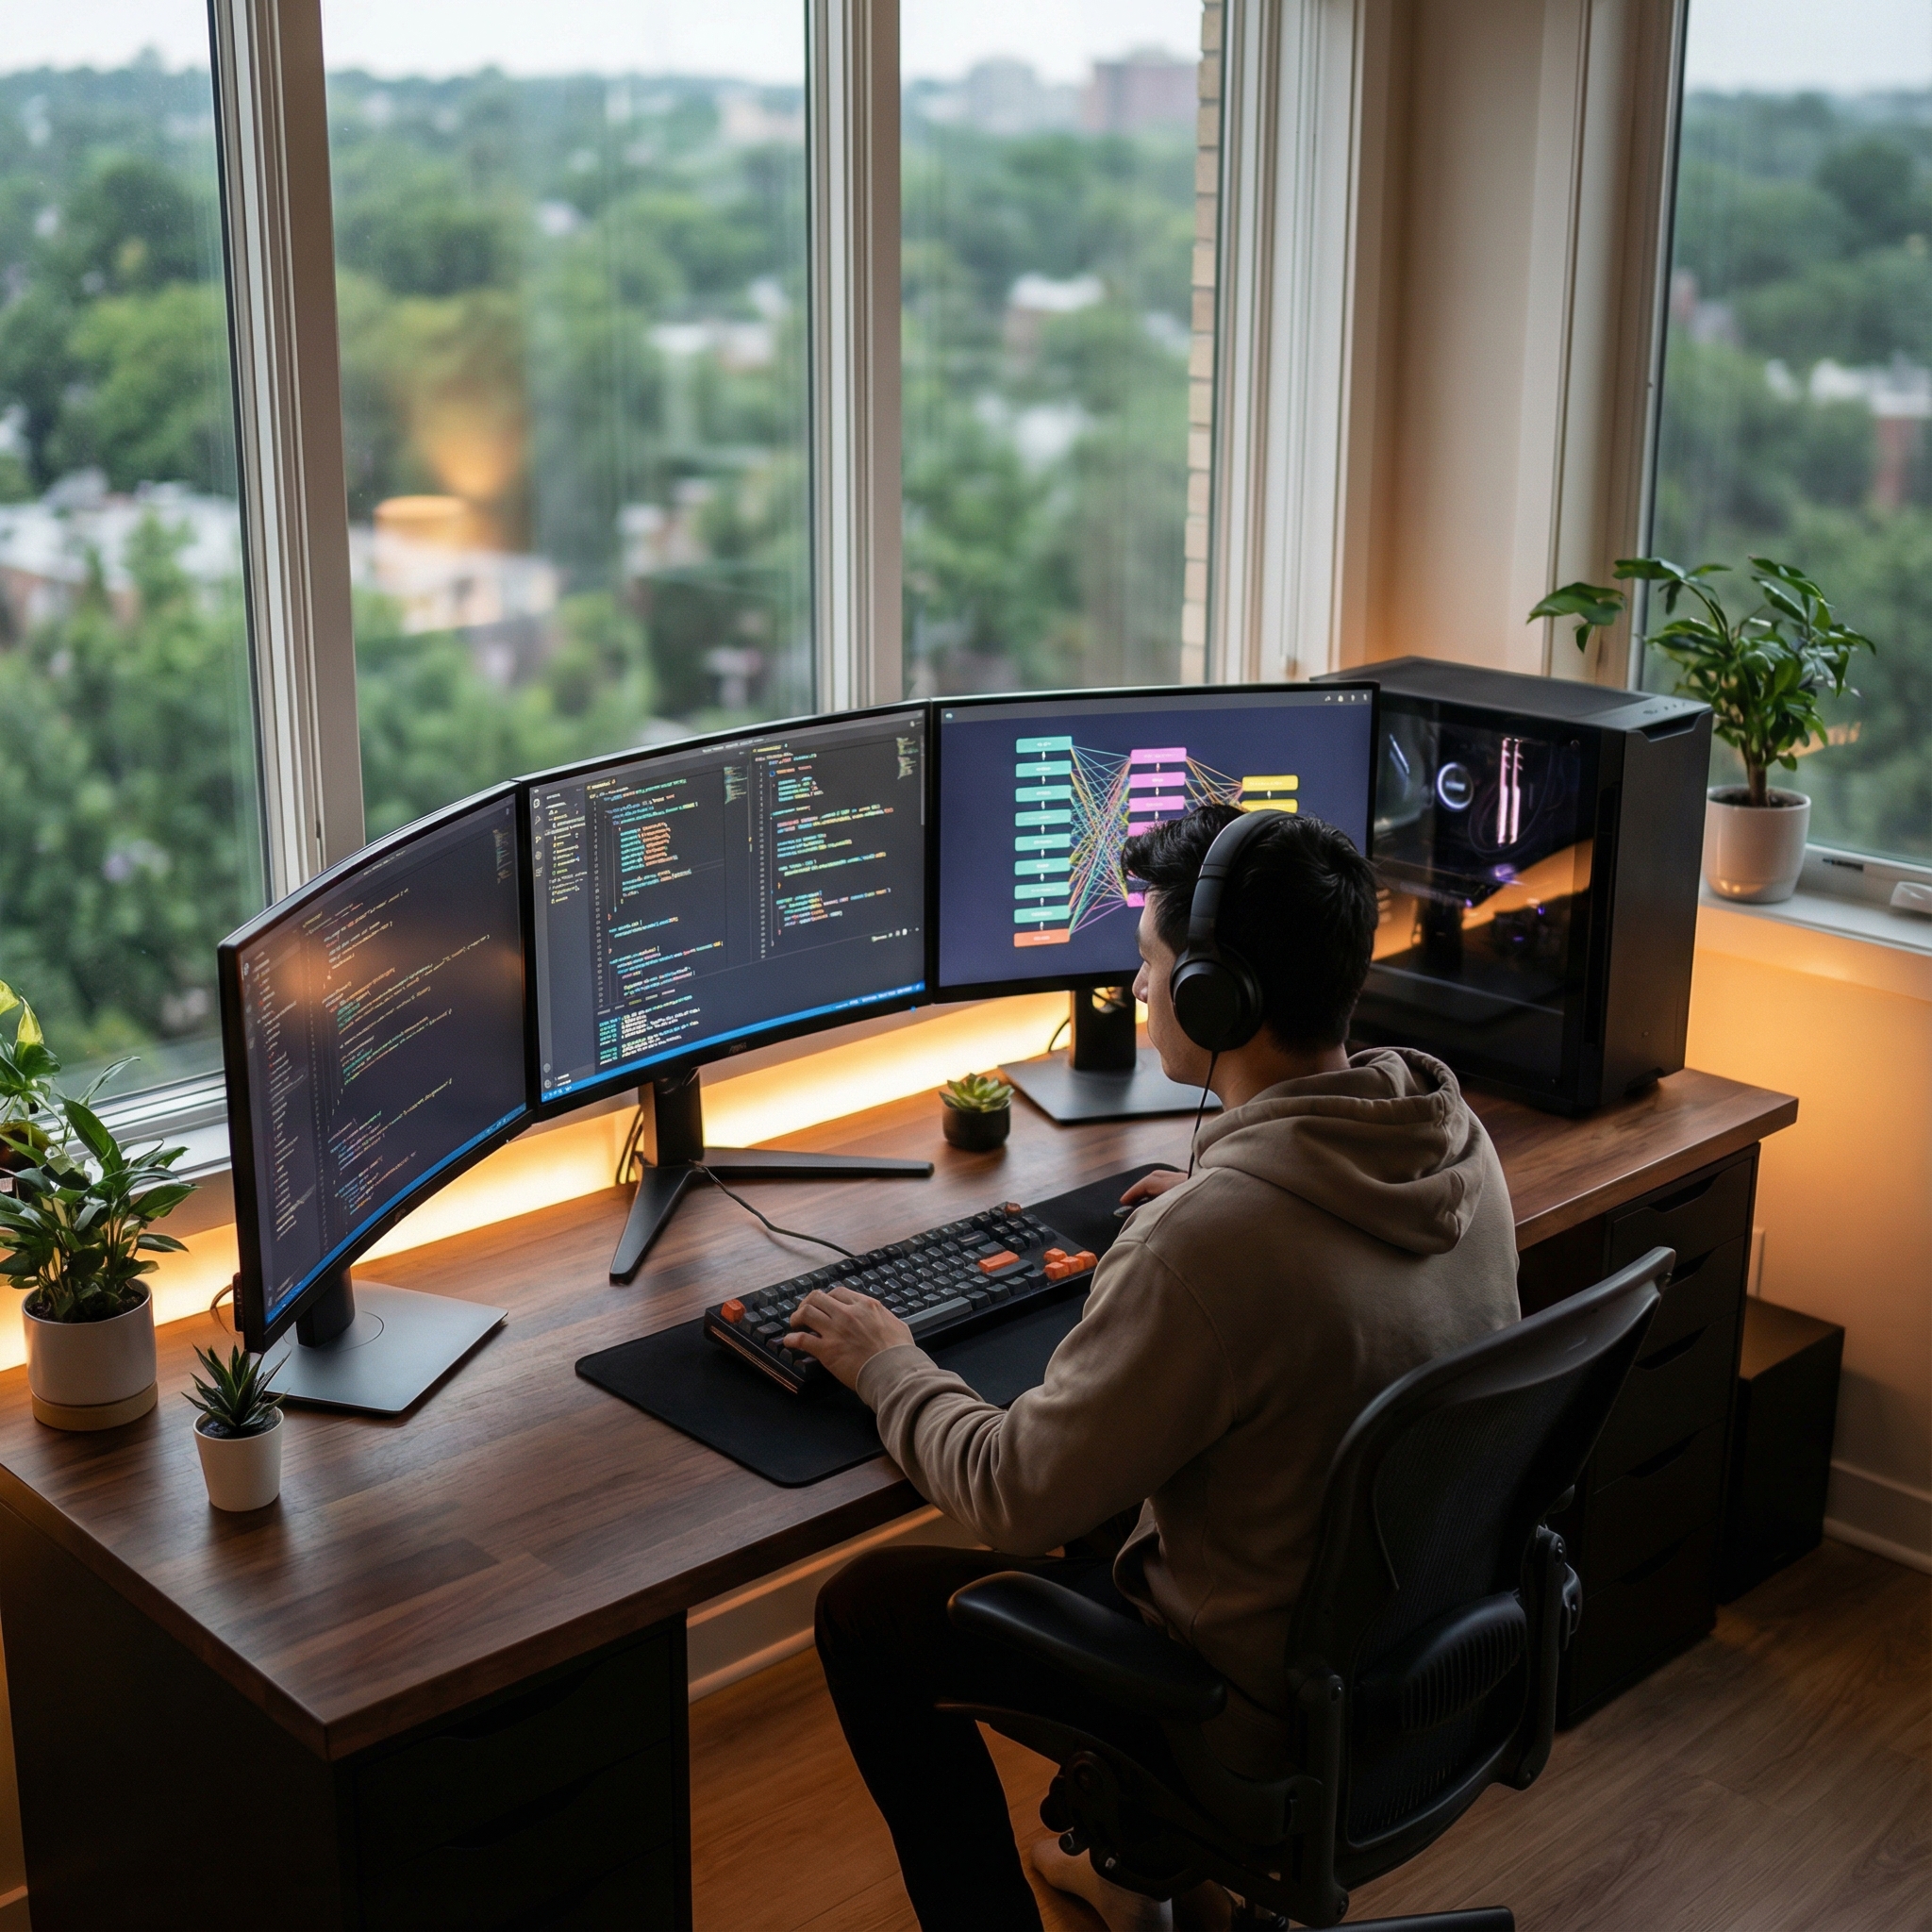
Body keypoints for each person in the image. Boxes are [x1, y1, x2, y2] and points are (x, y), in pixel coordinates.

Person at [790, 804, 1522, 1932]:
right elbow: (1308, 1297)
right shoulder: (1446, 1137)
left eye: (1149, 962)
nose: (1138, 991)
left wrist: (888, 1360)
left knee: (865, 1610)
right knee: (1129, 1478)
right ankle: (1147, 1881)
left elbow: (1012, 1490)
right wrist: (1220, 1211)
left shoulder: (1218, 1246)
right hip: (1407, 1657)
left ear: (1212, 996)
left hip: (1243, 1708)